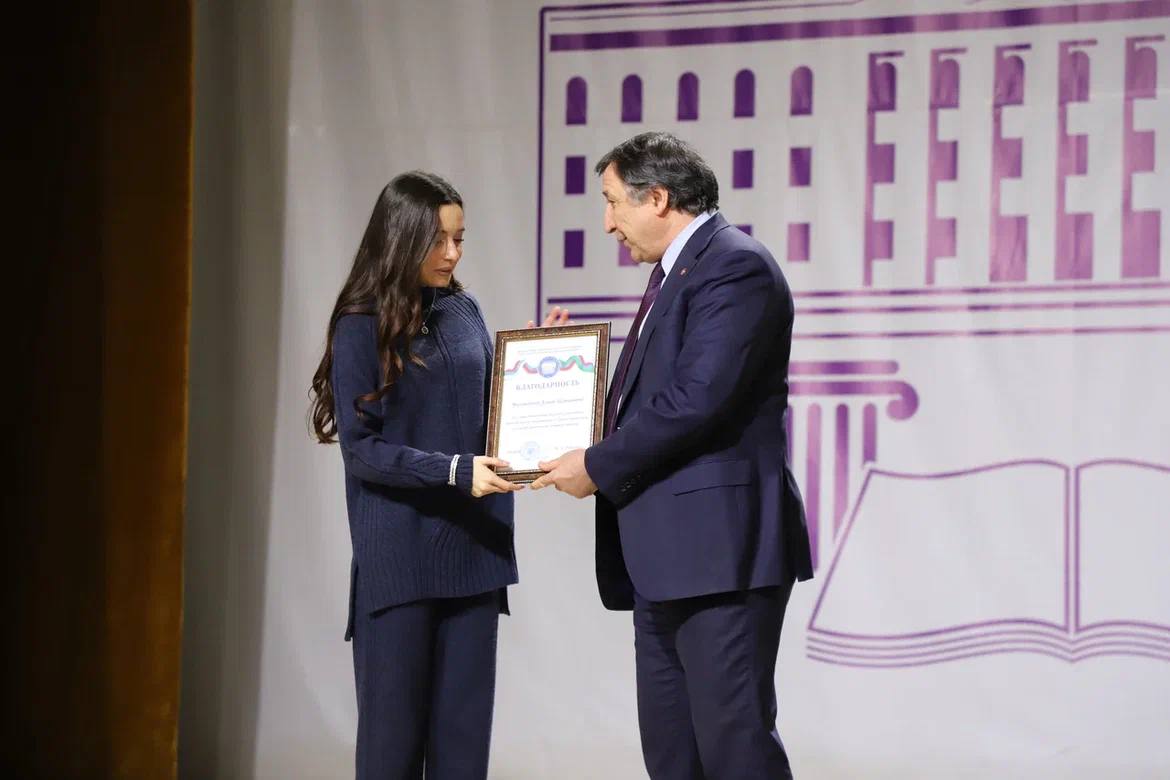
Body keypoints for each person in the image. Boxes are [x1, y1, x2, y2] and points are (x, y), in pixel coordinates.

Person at [532, 133, 814, 779]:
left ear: (657, 197)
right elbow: (650, 400)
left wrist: (596, 466)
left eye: (612, 202)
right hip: (665, 559)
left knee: (733, 749)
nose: (608, 223)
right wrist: (555, 374)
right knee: (672, 755)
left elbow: (697, 399)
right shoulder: (679, 271)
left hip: (720, 556)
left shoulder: (735, 266)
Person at [308, 171, 566, 779]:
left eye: (460, 238)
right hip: (400, 565)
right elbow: (363, 452)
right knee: (391, 756)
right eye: (437, 240)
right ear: (401, 239)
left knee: (462, 758)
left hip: (474, 557)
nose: (451, 254)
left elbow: (486, 411)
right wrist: (452, 471)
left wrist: (538, 365)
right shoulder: (360, 323)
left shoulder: (462, 309)